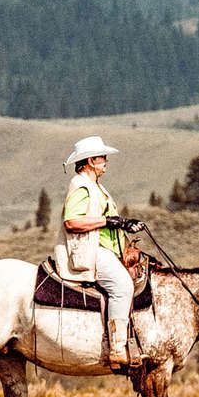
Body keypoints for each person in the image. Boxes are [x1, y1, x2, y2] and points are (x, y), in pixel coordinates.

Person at [61, 135, 142, 368]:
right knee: (122, 286)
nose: (106, 160)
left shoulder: (96, 186)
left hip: (106, 248)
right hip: (92, 250)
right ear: (89, 161)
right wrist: (108, 222)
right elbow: (72, 221)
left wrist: (124, 225)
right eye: (102, 157)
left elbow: (106, 220)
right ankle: (117, 348)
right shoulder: (81, 185)